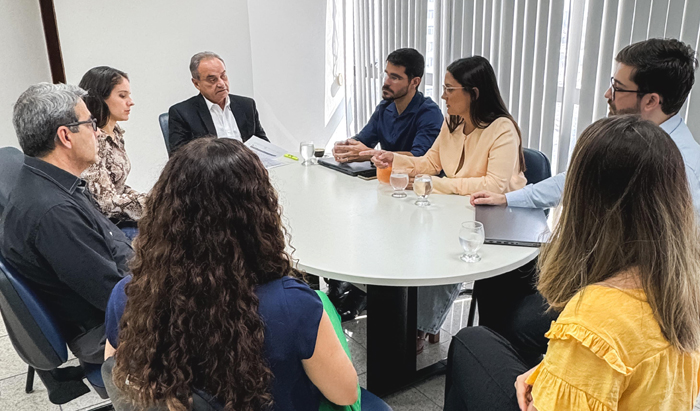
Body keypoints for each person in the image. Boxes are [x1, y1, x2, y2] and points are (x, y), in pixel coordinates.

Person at [467, 38, 700, 366]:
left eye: (618, 87)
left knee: (519, 324)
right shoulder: (632, 139)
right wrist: (508, 198)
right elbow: (575, 178)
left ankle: (521, 377)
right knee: (501, 273)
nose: (608, 95)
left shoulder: (676, 168)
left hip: (622, 293)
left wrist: (582, 289)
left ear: (651, 100)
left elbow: (654, 268)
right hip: (596, 268)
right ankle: (491, 360)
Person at [444, 115, 700, 411]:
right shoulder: (683, 289)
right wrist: (551, 374)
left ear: (585, 203)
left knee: (470, 341)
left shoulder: (594, 320)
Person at [104, 138, 360, 411]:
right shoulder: (293, 305)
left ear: (163, 211)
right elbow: (345, 394)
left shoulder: (130, 295)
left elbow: (118, 376)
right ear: (259, 213)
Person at [364, 56, 526, 353]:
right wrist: (395, 159)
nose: (443, 96)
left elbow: (494, 185)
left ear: (473, 93)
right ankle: (405, 311)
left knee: (448, 250)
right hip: (458, 206)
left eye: (449, 89)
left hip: (497, 216)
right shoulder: (453, 123)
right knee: (410, 232)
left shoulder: (502, 129)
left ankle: (422, 325)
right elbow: (430, 162)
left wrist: (437, 185)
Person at [0, 83, 130, 365]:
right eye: (90, 123)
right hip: (109, 330)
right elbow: (119, 300)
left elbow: (110, 241)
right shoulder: (54, 213)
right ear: (65, 136)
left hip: (115, 297)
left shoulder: (50, 181)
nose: (96, 132)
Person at [329, 47, 444, 322]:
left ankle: (363, 292)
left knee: (375, 231)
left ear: (414, 82)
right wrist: (345, 147)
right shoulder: (385, 108)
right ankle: (349, 286)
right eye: (386, 75)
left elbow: (421, 158)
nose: (386, 82)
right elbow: (364, 139)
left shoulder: (429, 114)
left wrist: (367, 152)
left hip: (418, 197)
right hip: (386, 190)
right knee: (345, 220)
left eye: (395, 77)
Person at [79, 66, 146, 240]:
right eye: (122, 96)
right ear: (100, 98)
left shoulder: (115, 132)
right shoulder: (93, 139)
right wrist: (149, 204)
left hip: (118, 219)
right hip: (105, 227)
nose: (130, 102)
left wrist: (150, 199)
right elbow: (105, 203)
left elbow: (118, 186)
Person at [167, 51, 267, 155]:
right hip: (211, 170)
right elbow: (179, 158)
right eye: (212, 80)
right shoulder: (182, 113)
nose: (221, 84)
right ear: (196, 83)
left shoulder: (247, 105)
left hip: (247, 168)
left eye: (223, 76)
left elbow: (263, 144)